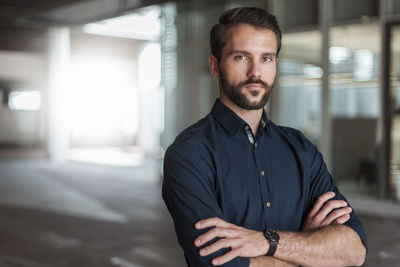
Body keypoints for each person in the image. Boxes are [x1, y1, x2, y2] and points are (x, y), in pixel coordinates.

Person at [162, 7, 367, 267]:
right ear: (215, 65)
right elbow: (218, 263)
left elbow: (354, 250)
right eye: (241, 57)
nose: (256, 72)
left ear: (276, 65)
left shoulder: (301, 149)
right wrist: (306, 248)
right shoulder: (189, 153)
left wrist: (267, 242)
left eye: (266, 58)